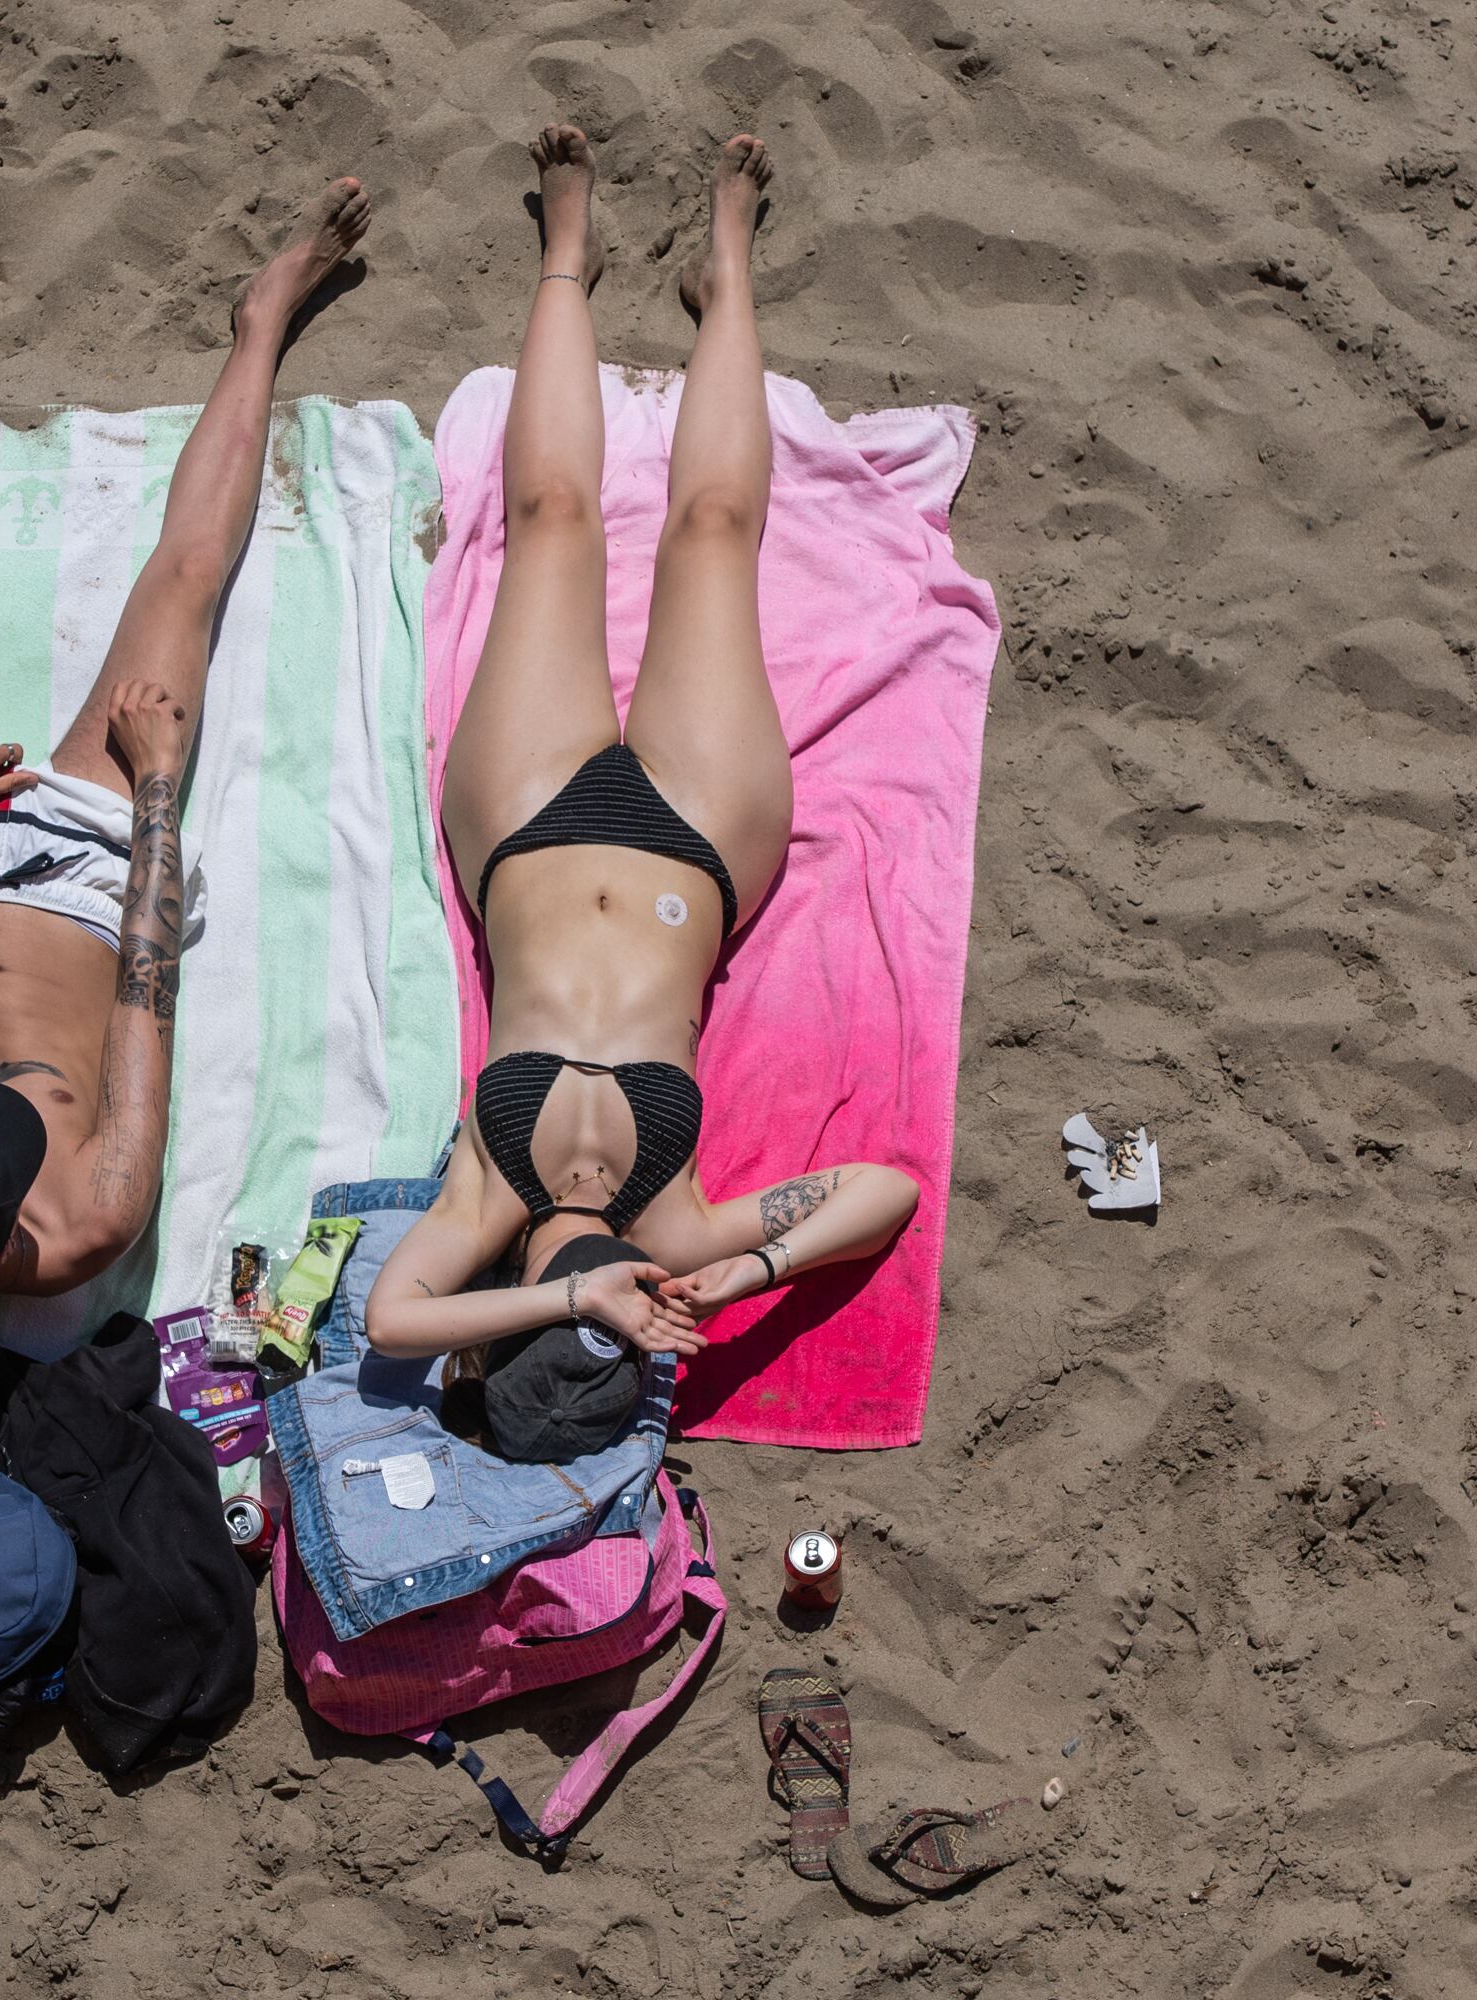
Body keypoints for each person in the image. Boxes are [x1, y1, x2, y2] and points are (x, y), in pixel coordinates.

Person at [364, 128, 919, 1446]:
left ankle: (569, 253)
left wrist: (540, 1307)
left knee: (552, 519)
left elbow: (393, 1323)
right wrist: (747, 1270)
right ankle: (728, 268)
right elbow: (885, 1191)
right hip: (701, 842)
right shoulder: (674, 1220)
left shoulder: (482, 1203)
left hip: (524, 820)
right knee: (713, 534)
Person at [0, 138, 371, 1307]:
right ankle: (261, 323)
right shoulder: (95, 1217)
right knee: (186, 577)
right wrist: (155, 786)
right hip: (93, 870)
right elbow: (147, 988)